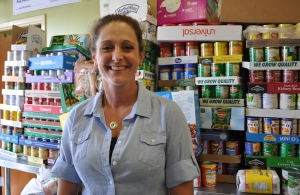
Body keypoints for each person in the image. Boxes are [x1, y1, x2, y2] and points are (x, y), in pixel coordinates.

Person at [51, 14, 200, 195]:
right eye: (107, 47)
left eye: (127, 47)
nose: (117, 56)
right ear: (95, 58)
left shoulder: (169, 114)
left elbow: (181, 190)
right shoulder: (76, 117)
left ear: (140, 56)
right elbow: (66, 188)